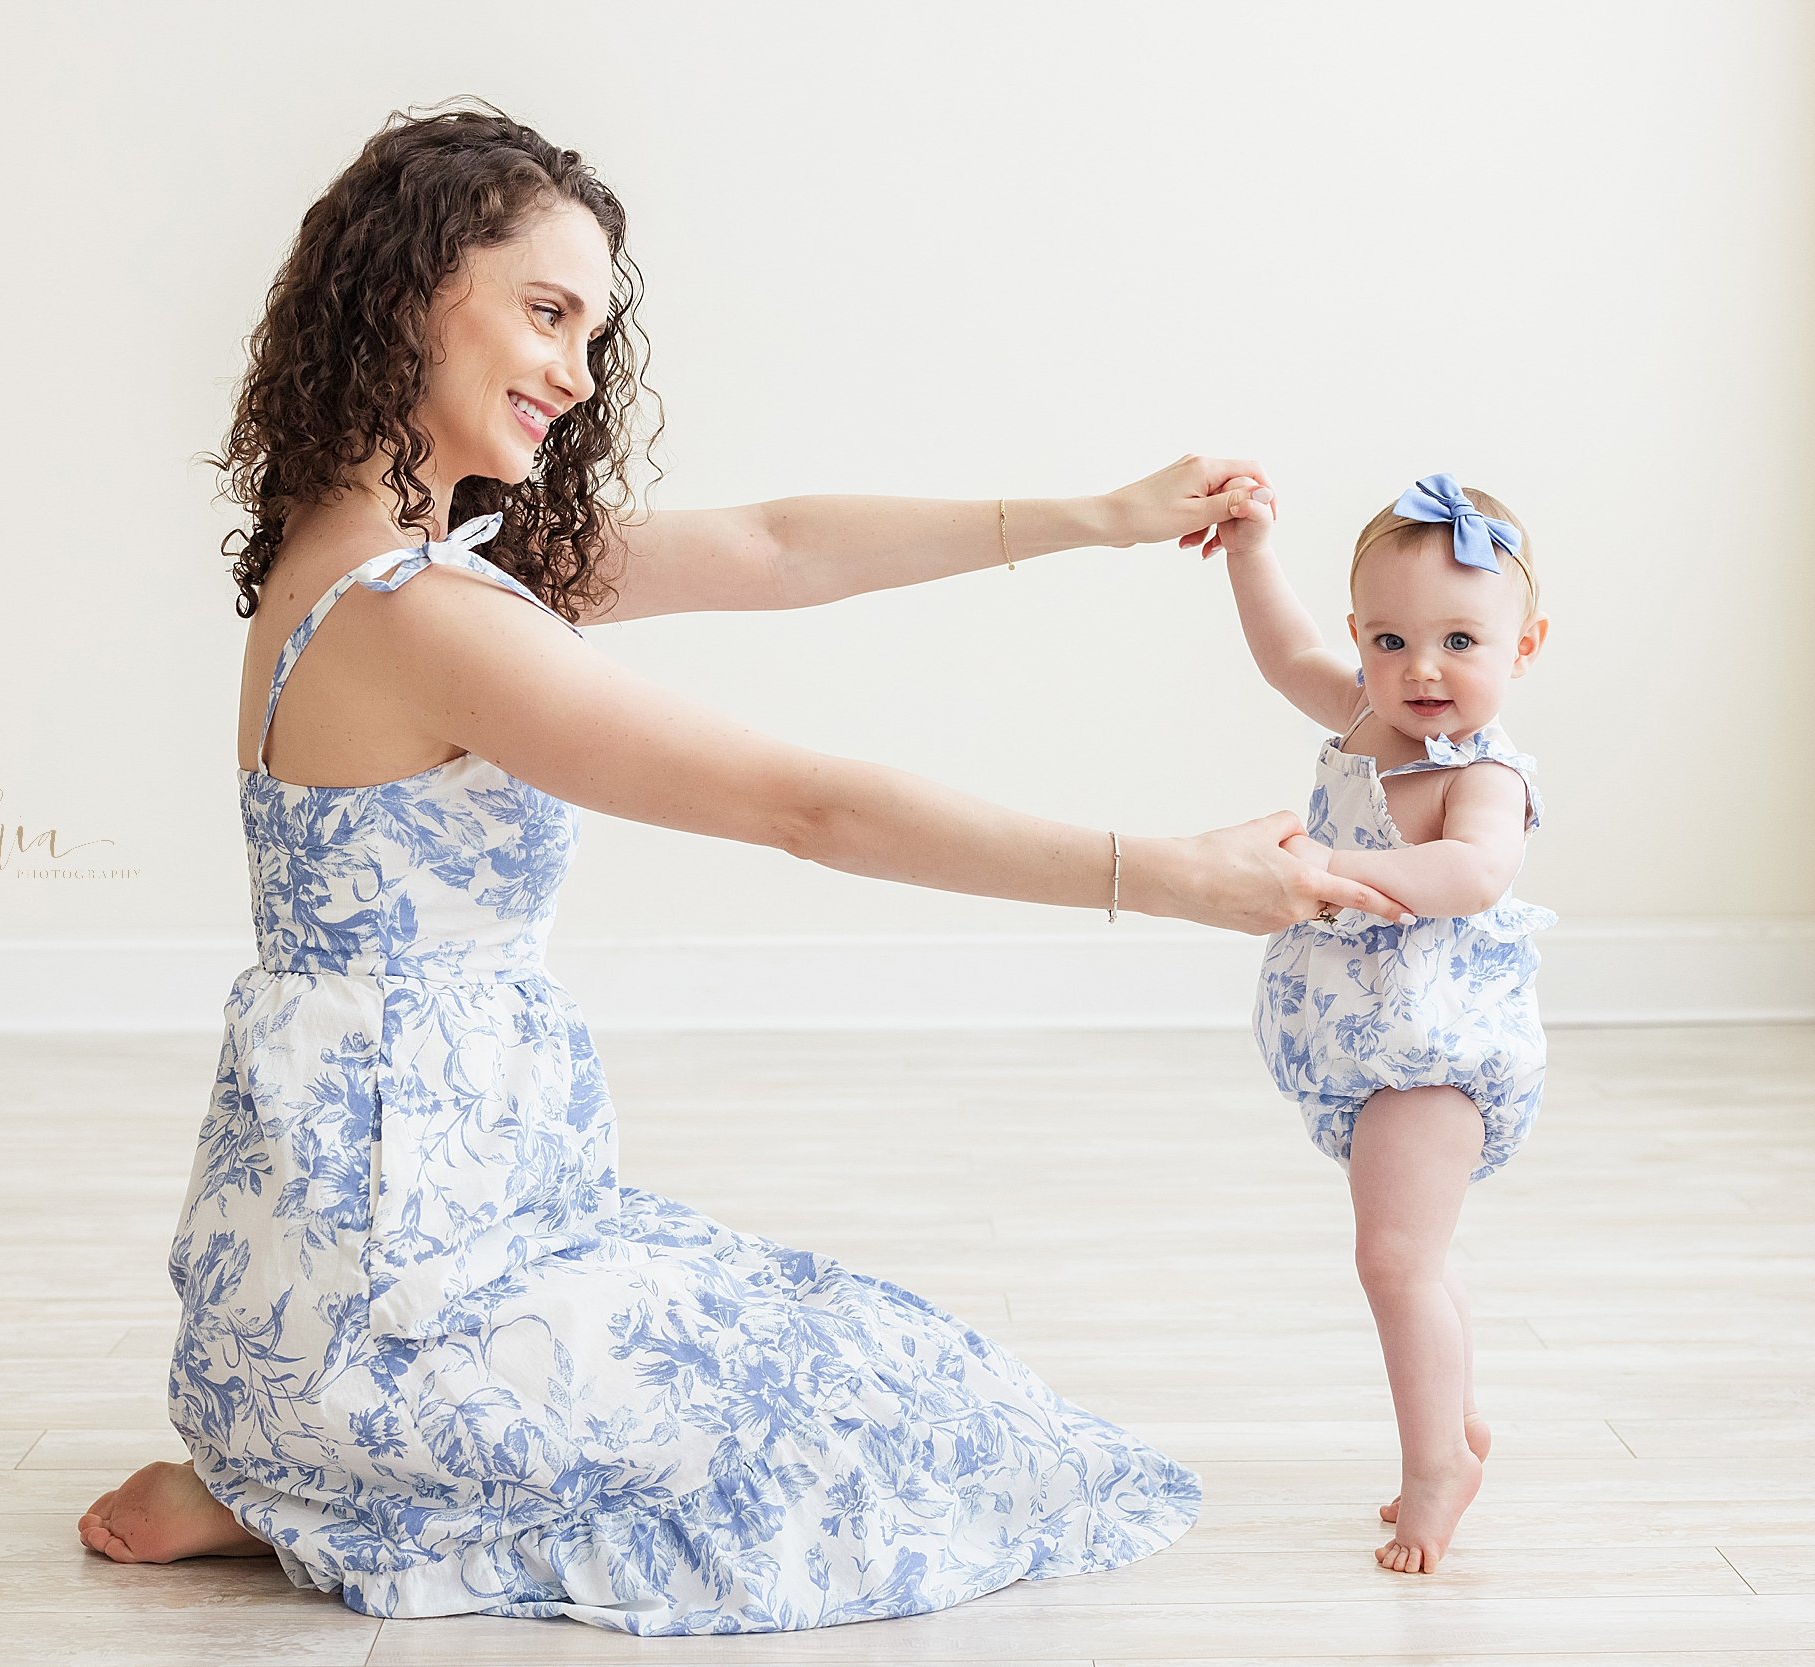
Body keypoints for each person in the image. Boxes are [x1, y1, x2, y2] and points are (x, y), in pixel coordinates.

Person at [76, 101, 1402, 1634]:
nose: (578, 373)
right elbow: (806, 807)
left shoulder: (406, 560)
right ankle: (311, 1470)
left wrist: (1096, 517)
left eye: (595, 331)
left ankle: (293, 1461)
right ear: (407, 293)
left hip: (391, 1223)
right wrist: (1158, 873)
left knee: (873, 1352)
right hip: (387, 1278)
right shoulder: (423, 614)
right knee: (912, 1414)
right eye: (547, 311)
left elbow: (775, 546)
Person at [1221, 469, 1556, 1574]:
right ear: (1363, 639)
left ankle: (1435, 1467)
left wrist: (1329, 863)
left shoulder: (1484, 771)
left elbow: (1471, 872)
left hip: (1435, 1046)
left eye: (1462, 639)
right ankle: (1453, 1422)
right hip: (1367, 1040)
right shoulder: (1363, 714)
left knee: (1393, 1258)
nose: (1422, 668)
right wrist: (1251, 548)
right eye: (1391, 639)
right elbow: (1281, 655)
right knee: (1418, 1251)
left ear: (1524, 646)